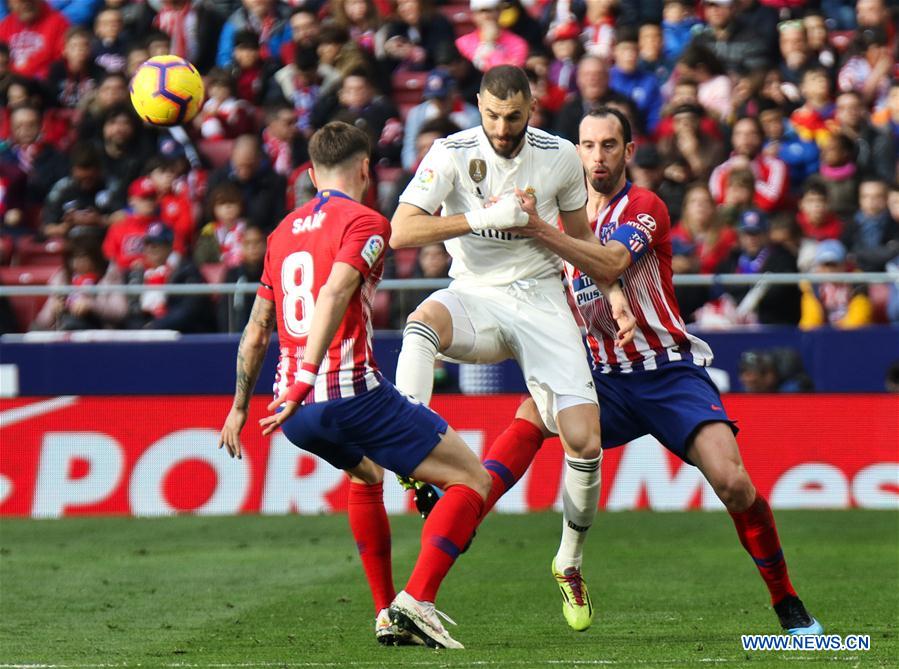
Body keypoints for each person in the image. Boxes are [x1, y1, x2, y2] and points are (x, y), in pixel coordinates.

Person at [507, 106, 823, 635]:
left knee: (734, 483)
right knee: (526, 418)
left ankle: (787, 601)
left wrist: (537, 227)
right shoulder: (562, 219)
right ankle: (460, 522)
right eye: (588, 145)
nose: (598, 156)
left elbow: (610, 262)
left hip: (667, 372)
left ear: (628, 151)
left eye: (610, 145)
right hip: (600, 376)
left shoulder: (645, 207)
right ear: (576, 152)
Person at [218, 121, 491, 650]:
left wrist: (238, 408)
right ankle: (417, 602)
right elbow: (336, 289)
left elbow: (256, 329)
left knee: (366, 473)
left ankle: (385, 613)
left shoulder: (281, 233)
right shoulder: (366, 222)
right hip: (347, 394)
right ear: (366, 169)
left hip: (294, 414)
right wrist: (307, 377)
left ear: (311, 174)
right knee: (473, 481)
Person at [390, 65, 635, 632]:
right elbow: (400, 230)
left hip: (542, 300)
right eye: (493, 116)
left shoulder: (559, 157)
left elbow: (582, 241)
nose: (503, 128)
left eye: (514, 116)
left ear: (533, 108)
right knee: (421, 324)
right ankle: (411, 449)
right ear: (479, 105)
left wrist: (614, 295)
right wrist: (481, 216)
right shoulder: (450, 152)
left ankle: (569, 562)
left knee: (585, 440)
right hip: (475, 295)